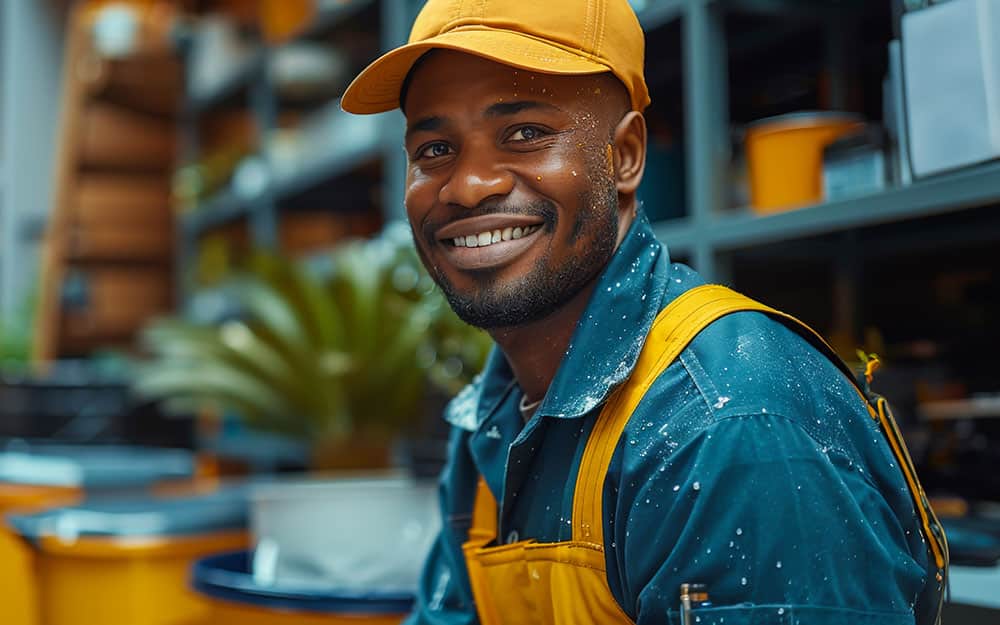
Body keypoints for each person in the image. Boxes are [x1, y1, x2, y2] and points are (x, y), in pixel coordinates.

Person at [341, 1, 947, 623]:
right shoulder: (489, 423)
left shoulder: (725, 426)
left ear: (625, 155)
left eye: (524, 134)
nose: (468, 186)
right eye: (435, 148)